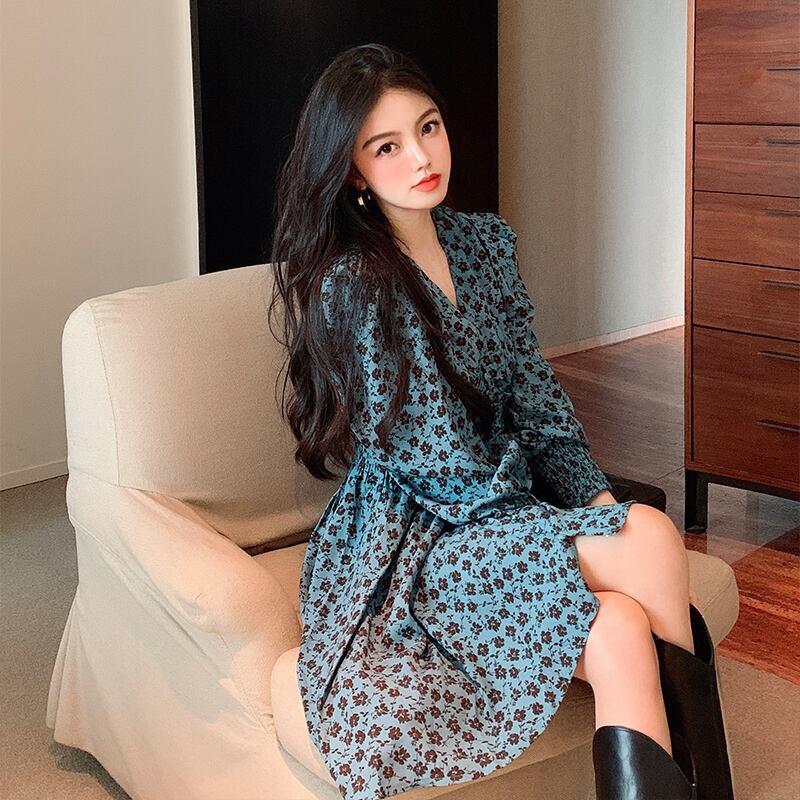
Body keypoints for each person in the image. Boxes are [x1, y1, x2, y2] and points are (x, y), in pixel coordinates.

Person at [268, 43, 733, 800]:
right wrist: (573, 531)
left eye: (428, 127)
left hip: (502, 514)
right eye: (387, 146)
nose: (422, 157)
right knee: (649, 536)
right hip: (418, 541)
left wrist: (595, 507)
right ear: (352, 171)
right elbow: (430, 462)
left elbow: (537, 400)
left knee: (620, 621)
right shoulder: (354, 283)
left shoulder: (484, 244)